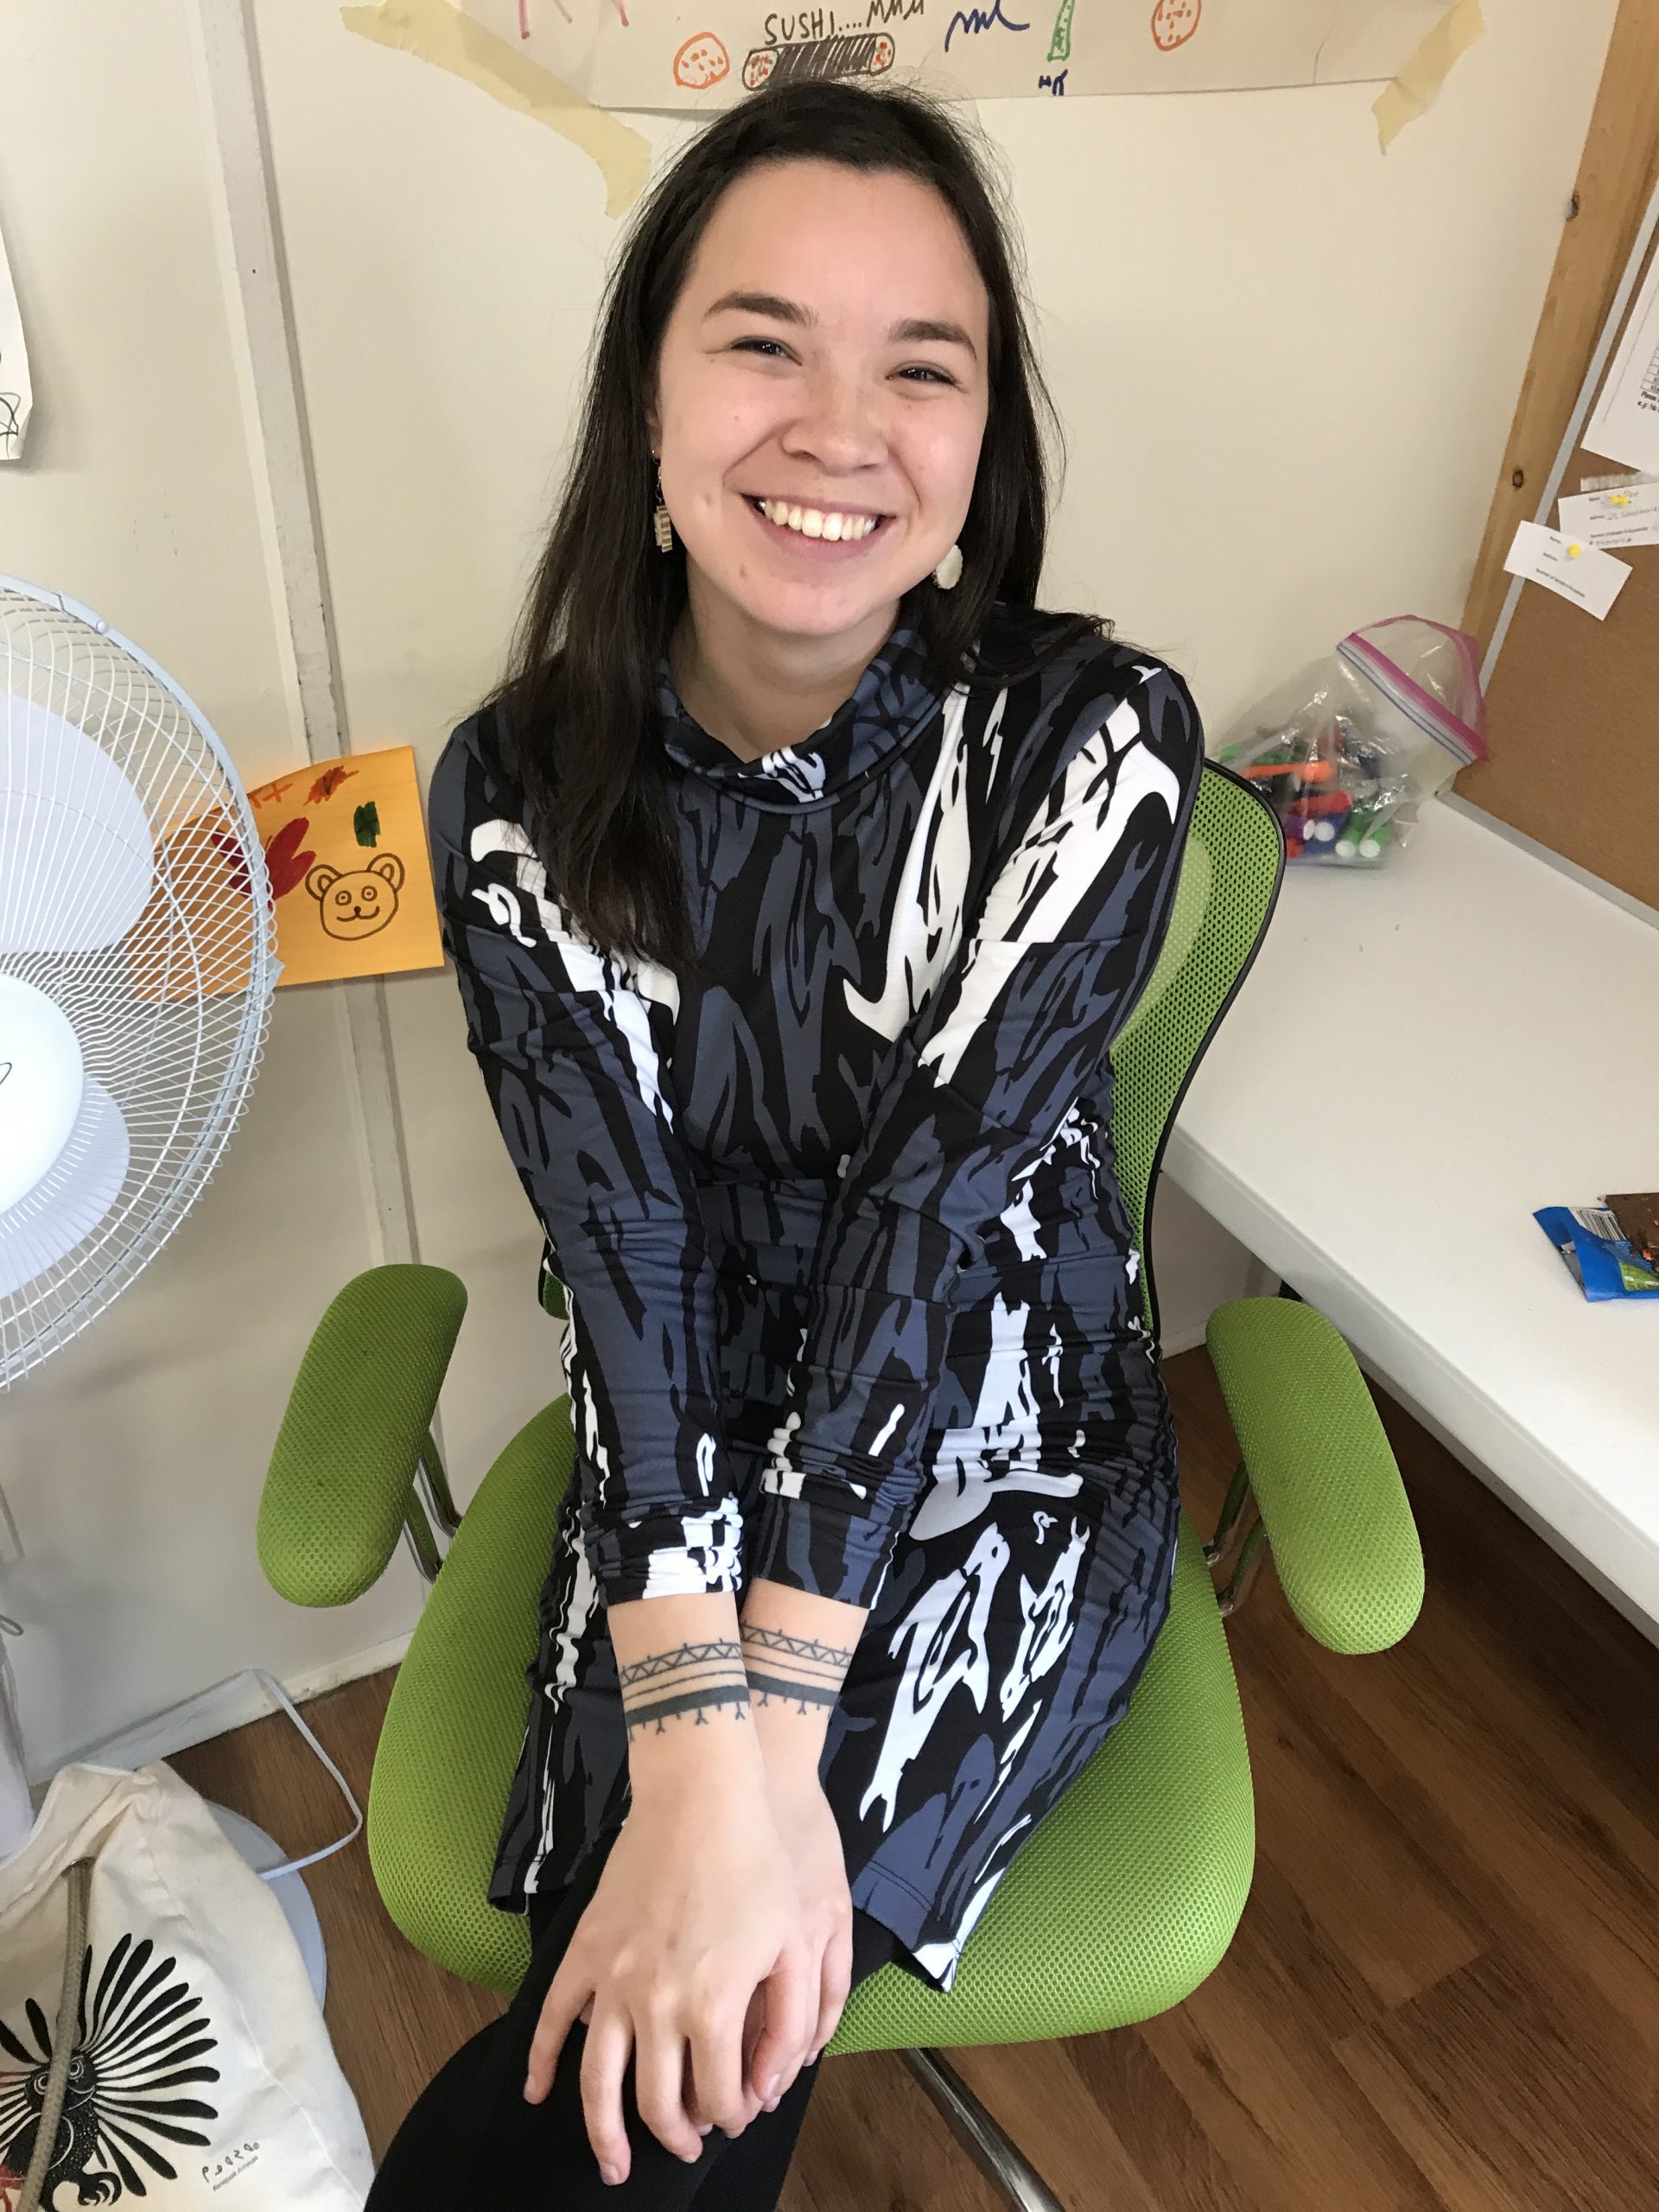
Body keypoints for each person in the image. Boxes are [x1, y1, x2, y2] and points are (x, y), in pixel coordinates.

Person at [369, 74, 1205, 2209]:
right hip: (677, 1430)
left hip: (991, 1441)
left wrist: (760, 1752)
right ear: (646, 408)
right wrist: (688, 1733)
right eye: (765, 344)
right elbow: (624, 1257)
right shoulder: (516, 784)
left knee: (681, 2029)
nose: (843, 431)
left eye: (920, 367)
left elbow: (929, 1225)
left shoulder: (1089, 744)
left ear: (982, 445)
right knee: (639, 1988)